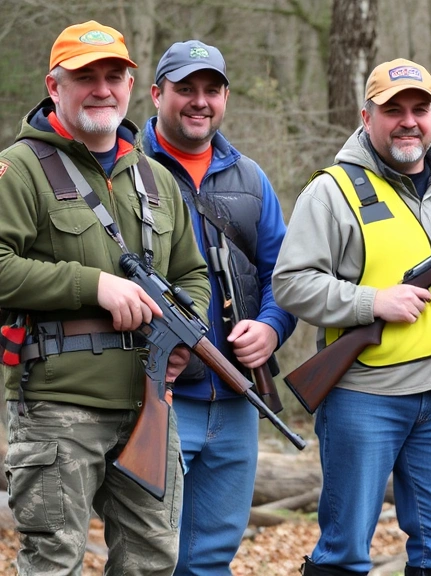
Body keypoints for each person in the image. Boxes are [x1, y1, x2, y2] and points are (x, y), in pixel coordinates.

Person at [272, 58, 431, 576]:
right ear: (367, 118)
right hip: (364, 395)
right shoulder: (333, 190)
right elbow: (291, 282)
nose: (408, 120)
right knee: (344, 550)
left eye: (420, 109)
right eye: (394, 110)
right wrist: (373, 303)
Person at [0, 21, 211, 575]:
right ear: (54, 85)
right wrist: (92, 284)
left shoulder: (156, 180)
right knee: (55, 562)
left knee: (151, 561)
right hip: (56, 406)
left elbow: (193, 274)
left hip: (150, 407)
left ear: (130, 86)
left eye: (113, 76)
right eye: (84, 76)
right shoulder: (19, 169)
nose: (102, 88)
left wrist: (186, 331)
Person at [143, 40, 297, 575]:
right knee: (147, 555)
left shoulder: (252, 180)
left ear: (226, 97)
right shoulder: (125, 169)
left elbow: (285, 276)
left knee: (210, 561)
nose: (199, 101)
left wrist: (273, 328)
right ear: (157, 93)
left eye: (211, 89)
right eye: (186, 88)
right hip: (156, 399)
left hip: (237, 400)